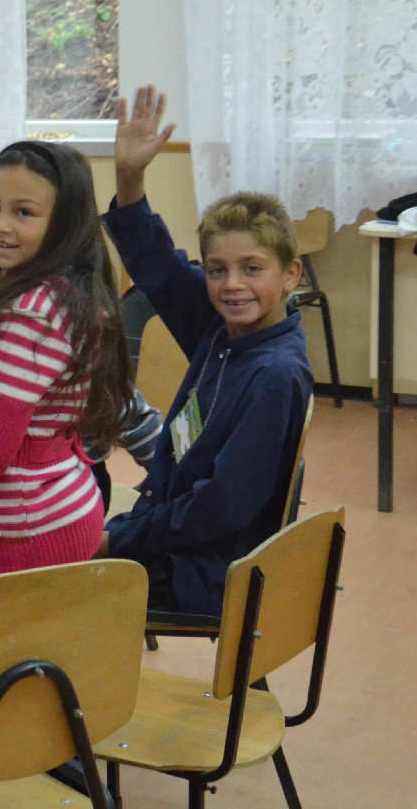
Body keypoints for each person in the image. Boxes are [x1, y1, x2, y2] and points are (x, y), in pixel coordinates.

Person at [99, 85, 313, 615]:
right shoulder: (226, 330)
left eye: (252, 269)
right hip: (175, 528)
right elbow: (160, 264)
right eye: (217, 270)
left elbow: (223, 506)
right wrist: (129, 178)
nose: (231, 285)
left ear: (291, 275)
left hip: (209, 568)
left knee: (49, 577)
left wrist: (124, 538)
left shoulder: (275, 375)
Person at [0, 142, 130, 578]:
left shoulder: (31, 314)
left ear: (64, 224)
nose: (0, 226)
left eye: (24, 212)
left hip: (25, 531)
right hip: (59, 507)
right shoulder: (66, 290)